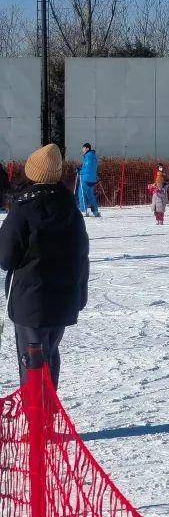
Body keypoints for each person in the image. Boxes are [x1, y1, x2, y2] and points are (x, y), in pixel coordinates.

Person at [0, 144, 88, 386]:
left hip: (30, 301)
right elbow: (82, 255)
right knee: (49, 353)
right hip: (63, 299)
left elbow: (6, 258)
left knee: (32, 357)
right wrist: (80, 293)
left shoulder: (23, 209)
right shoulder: (70, 208)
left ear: (32, 172)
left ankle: (37, 417)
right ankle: (47, 412)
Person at [79, 143, 101, 219]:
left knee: (81, 194)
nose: (82, 150)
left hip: (86, 178)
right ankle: (95, 211)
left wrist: (80, 171)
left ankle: (84, 211)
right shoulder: (93, 156)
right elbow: (90, 168)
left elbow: (87, 168)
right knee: (90, 195)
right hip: (92, 178)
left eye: (83, 148)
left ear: (87, 148)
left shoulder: (88, 156)